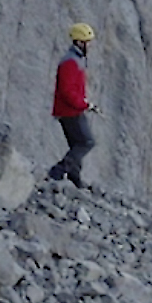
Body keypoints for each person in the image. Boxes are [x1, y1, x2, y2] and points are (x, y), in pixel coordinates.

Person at [49, 22, 98, 187]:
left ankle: (74, 177)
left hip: (71, 109)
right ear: (79, 42)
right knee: (87, 142)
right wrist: (83, 104)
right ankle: (58, 171)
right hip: (69, 111)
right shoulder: (70, 62)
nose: (90, 45)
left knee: (77, 143)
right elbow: (67, 90)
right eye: (88, 42)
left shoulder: (76, 59)